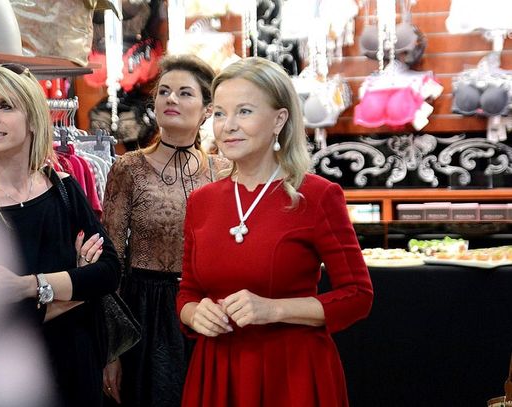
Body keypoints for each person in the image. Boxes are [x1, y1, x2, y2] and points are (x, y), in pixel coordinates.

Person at [177, 56, 374, 406]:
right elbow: (188, 292)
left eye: (244, 112)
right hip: (218, 372)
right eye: (219, 113)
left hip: (292, 375)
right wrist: (194, 314)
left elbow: (358, 296)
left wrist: (273, 310)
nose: (228, 126)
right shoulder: (201, 201)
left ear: (279, 120)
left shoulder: (317, 196)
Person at [0, 63, 120, 407]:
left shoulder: (61, 187)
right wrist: (77, 287)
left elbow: (109, 272)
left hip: (75, 367)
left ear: (32, 117)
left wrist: (29, 287)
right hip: (5, 381)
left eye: (4, 106)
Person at [101, 54, 229, 406]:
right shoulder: (129, 168)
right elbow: (110, 263)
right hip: (146, 311)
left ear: (207, 110)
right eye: (164, 91)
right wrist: (111, 350)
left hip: (209, 308)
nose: (171, 99)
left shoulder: (224, 170)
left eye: (185, 93)